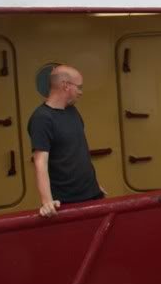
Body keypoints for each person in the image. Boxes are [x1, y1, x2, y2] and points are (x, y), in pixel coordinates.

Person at [28, 64, 104, 217]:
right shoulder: (42, 118)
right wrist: (47, 201)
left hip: (92, 194)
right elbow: (40, 162)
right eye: (79, 87)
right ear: (65, 86)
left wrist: (95, 186)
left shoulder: (72, 111)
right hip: (68, 201)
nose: (81, 92)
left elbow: (77, 150)